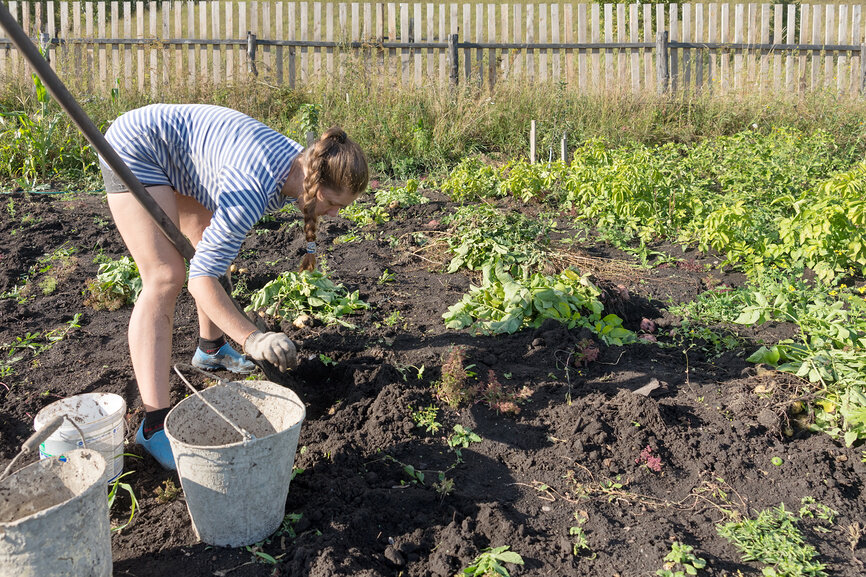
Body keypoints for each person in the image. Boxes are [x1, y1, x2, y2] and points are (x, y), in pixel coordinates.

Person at [99, 103, 368, 470]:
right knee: (166, 276)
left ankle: (211, 348)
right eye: (334, 204)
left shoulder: (305, 164)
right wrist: (252, 337)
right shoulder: (252, 186)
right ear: (316, 187)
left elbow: (212, 257)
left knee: (210, 244)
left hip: (185, 154)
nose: (334, 215)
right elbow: (202, 281)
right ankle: (153, 424)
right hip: (139, 148)